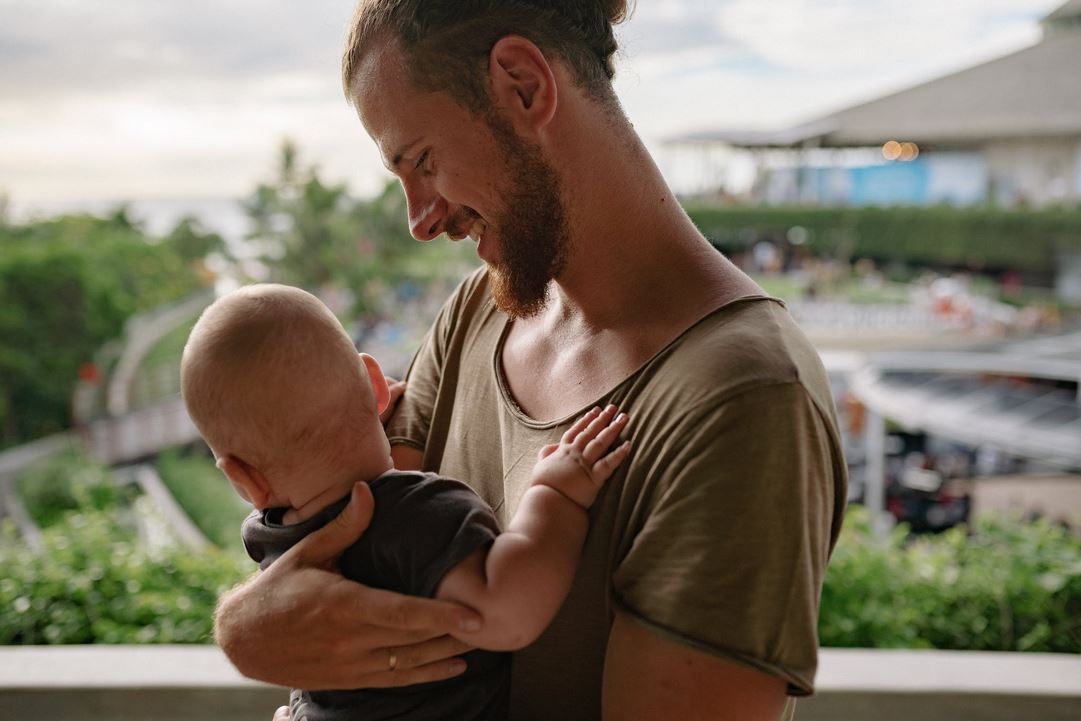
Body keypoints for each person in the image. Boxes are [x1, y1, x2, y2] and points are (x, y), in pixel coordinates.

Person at [214, 2, 849, 720]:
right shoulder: (477, 314)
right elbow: (343, 530)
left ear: (522, 84)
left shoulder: (743, 395)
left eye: (422, 161)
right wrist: (243, 628)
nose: (420, 220)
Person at [181, 283, 631, 721]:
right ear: (378, 386)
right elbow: (507, 616)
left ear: (243, 479)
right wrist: (556, 495)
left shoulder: (271, 539)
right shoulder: (420, 513)